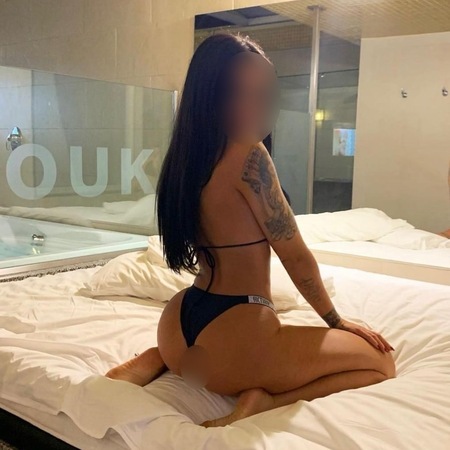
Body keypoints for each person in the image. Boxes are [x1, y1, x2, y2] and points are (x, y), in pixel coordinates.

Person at [106, 33, 396, 427]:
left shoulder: (186, 156)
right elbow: (294, 255)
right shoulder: (247, 153)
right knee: (381, 363)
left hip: (178, 324)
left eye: (266, 93)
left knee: (216, 352)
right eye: (245, 94)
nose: (261, 106)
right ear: (214, 97)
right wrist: (336, 321)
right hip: (232, 337)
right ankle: (266, 401)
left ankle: (162, 359)